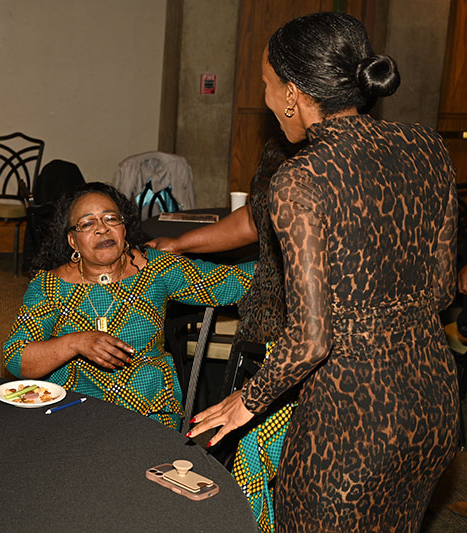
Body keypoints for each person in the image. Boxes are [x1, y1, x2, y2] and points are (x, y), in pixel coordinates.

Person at [187, 12, 458, 530]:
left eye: (267, 86)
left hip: (352, 416)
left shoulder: (301, 179)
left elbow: (311, 340)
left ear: (292, 94)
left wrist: (247, 400)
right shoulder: (426, 147)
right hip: (433, 399)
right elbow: (442, 290)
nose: (267, 101)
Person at [3, 182, 255, 430]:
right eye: (87, 223)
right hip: (75, 409)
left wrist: (280, 261)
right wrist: (75, 343)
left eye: (111, 219)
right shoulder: (49, 286)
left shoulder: (155, 268)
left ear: (124, 228)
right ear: (73, 241)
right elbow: (17, 357)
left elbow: (233, 282)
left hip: (150, 408)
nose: (102, 229)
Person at [148, 136, 300, 532]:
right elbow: (253, 219)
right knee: (252, 453)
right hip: (277, 334)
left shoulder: (336, 164)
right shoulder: (279, 149)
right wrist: (180, 243)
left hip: (329, 348)